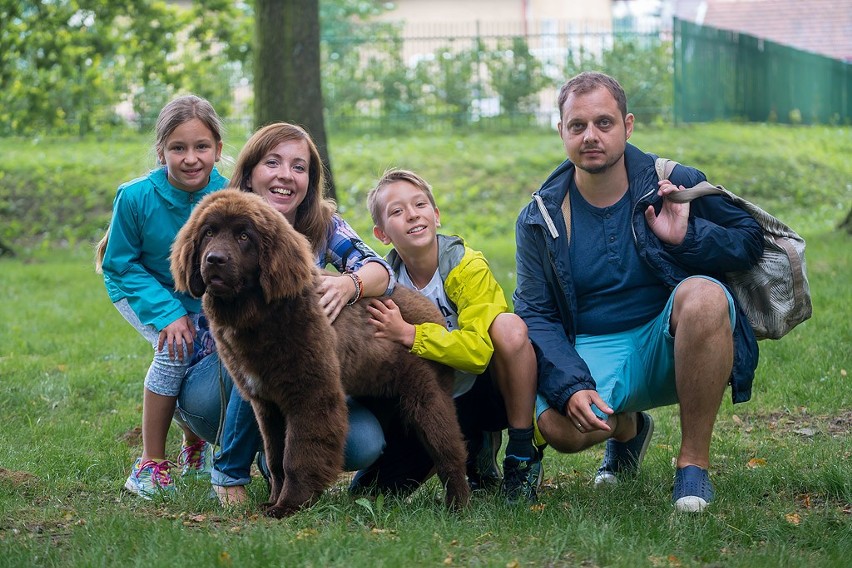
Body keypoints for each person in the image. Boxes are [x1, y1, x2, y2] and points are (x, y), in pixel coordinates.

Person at [513, 72, 764, 513]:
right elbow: (535, 313)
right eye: (577, 126)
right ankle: (627, 428)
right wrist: (571, 385)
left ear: (627, 126)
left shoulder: (672, 182)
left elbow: (749, 240)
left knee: (704, 296)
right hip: (593, 347)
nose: (591, 136)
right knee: (560, 429)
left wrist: (686, 238)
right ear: (561, 132)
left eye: (604, 123)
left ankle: (693, 467)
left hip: (670, 340)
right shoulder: (540, 216)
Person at [176, 122, 395, 506]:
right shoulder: (219, 211)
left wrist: (349, 284)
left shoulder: (321, 224)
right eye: (272, 162)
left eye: (299, 166)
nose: (285, 175)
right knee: (260, 350)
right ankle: (228, 472)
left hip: (286, 379)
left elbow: (380, 269)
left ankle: (276, 463)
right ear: (249, 171)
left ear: (310, 180)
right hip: (212, 386)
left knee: (362, 443)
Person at [357, 168, 542, 504]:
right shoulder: (384, 282)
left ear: (436, 215)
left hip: (483, 388)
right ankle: (467, 448)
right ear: (381, 234)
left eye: (420, 205)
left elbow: (478, 353)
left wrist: (410, 334)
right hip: (430, 402)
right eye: (397, 211)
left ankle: (516, 450)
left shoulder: (466, 266)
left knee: (508, 327)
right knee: (372, 493)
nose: (412, 214)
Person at [95, 94, 227, 499]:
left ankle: (194, 447)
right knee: (176, 350)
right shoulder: (134, 197)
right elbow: (119, 264)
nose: (191, 158)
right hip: (140, 288)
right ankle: (149, 463)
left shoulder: (229, 193)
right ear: (160, 151)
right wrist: (168, 313)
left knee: (205, 356)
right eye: (178, 148)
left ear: (218, 150)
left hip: (198, 296)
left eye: (201, 147)